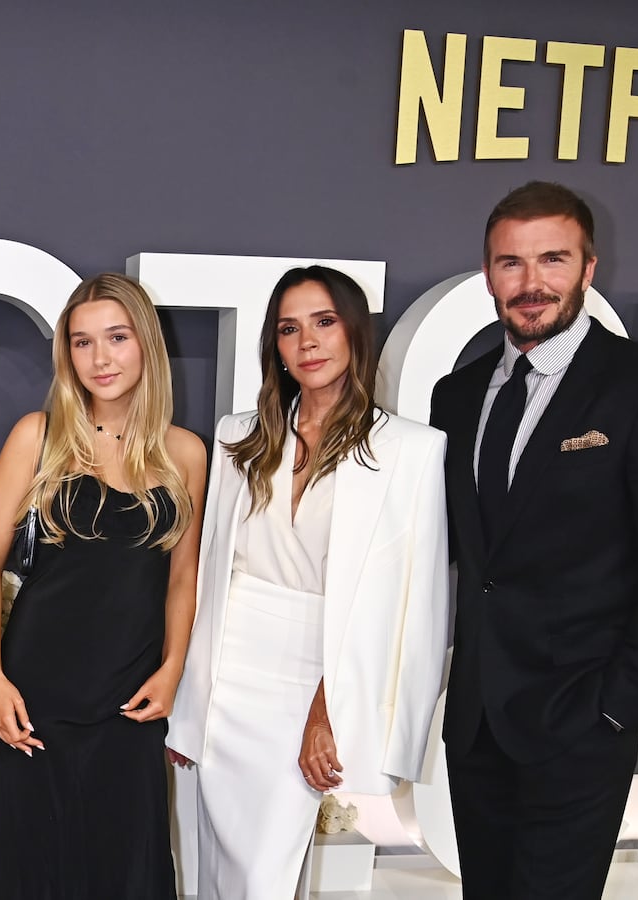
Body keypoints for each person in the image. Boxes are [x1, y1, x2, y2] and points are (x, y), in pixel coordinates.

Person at [430, 181, 638, 899]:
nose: (531, 285)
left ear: (589, 269)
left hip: (581, 721)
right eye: (511, 264)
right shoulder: (457, 394)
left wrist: (616, 707)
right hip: (477, 725)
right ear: (488, 273)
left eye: (552, 260)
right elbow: (456, 553)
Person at [166, 266, 449, 899]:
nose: (308, 342)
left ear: (353, 332)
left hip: (311, 682)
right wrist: (189, 705)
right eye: (289, 329)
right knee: (211, 866)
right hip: (224, 678)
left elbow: (413, 607)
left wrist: (330, 707)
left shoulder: (411, 451)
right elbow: (209, 581)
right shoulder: (239, 437)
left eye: (324, 322)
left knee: (262, 874)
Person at [0, 272, 206, 898]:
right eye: (82, 342)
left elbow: (182, 578)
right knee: (35, 864)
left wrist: (173, 669)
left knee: (126, 865)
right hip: (36, 692)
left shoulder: (185, 453)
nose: (100, 358)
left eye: (116, 337)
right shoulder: (38, 435)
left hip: (130, 697)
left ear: (145, 346)